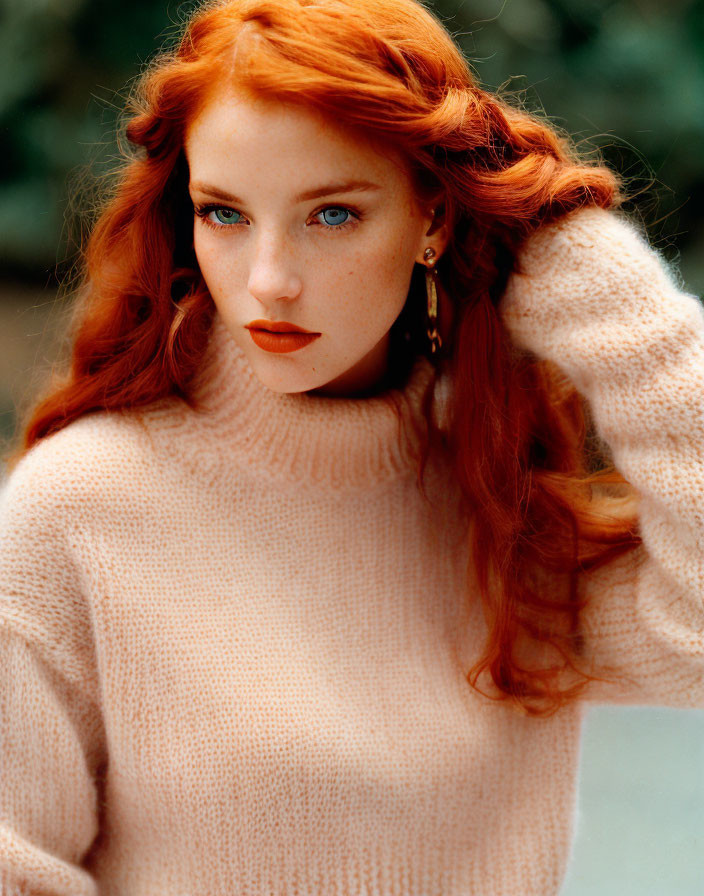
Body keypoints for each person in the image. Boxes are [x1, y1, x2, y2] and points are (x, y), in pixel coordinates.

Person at [1, 0, 702, 893]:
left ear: (434, 222)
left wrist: (576, 267)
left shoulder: (494, 503)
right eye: (223, 214)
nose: (269, 281)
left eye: (331, 215)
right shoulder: (81, 506)